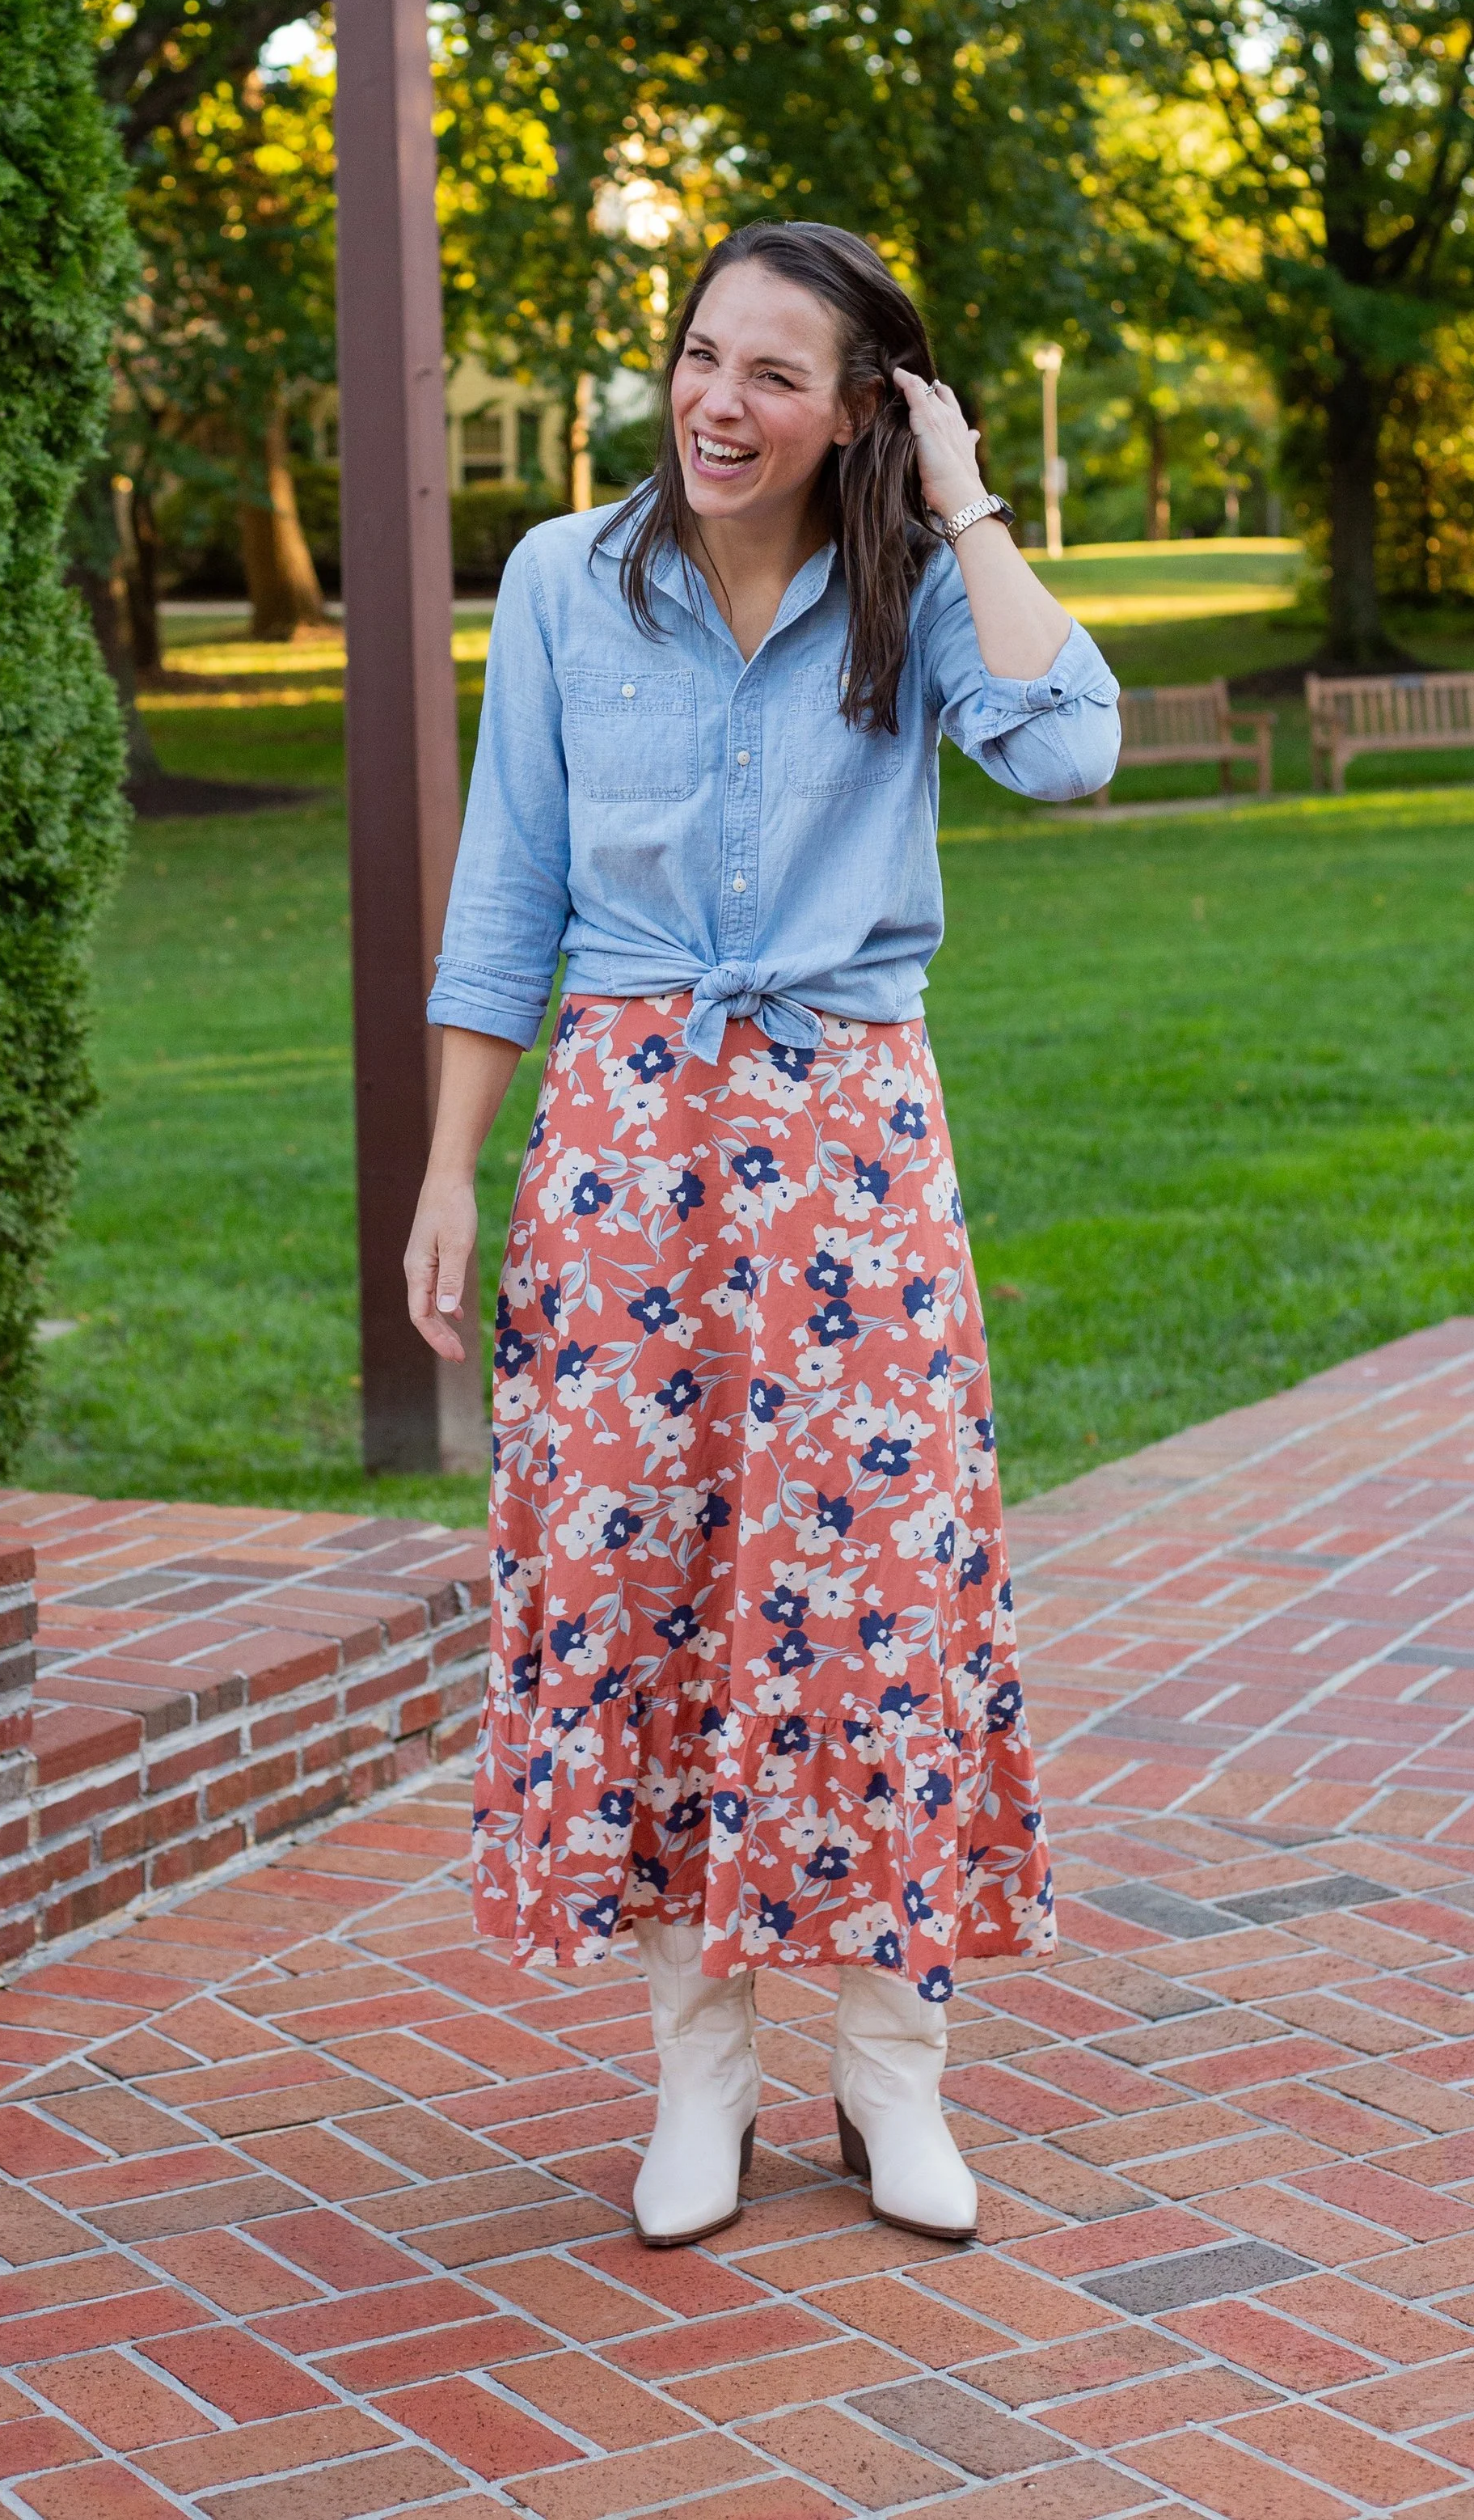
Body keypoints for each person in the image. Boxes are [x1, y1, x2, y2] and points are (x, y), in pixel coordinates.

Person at [404, 222, 1120, 2250]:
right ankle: (695, 2080)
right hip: (622, 1151)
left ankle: (892, 2074)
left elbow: (1068, 751)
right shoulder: (564, 580)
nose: (719, 404)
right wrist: (452, 1166)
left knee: (874, 1593)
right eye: (699, 357)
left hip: (847, 1141)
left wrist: (959, 494)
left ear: (857, 408)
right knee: (644, 1592)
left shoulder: (905, 578)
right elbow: (505, 901)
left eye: (777, 377)